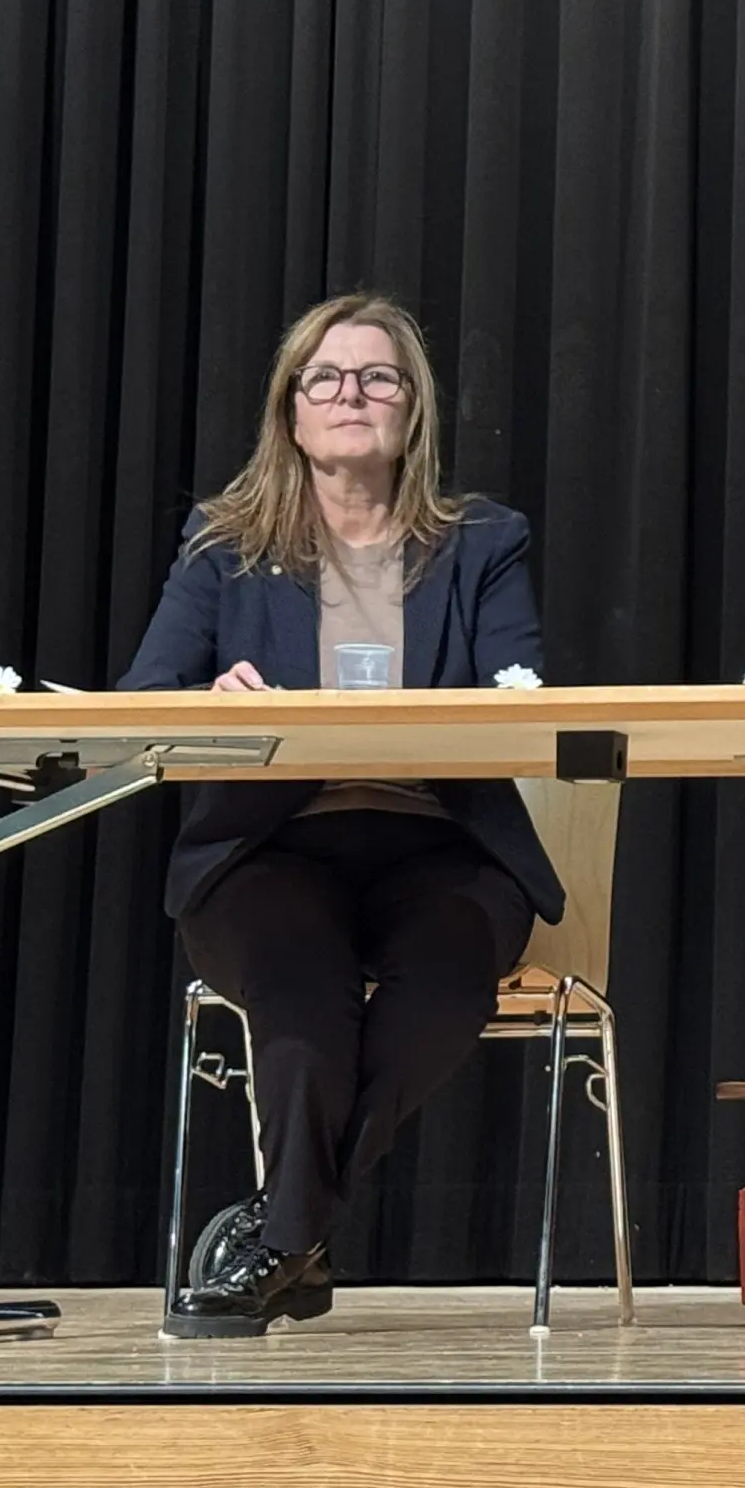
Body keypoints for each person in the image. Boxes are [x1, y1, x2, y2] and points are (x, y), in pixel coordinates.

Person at [124, 294, 560, 1338]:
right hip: (271, 844)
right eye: (327, 378)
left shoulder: (481, 541)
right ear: (291, 411)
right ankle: (296, 1237)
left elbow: (524, 690)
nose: (352, 395)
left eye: (379, 378)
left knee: (440, 998)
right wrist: (209, 703)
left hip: (439, 838)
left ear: (414, 412)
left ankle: (285, 1235)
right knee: (304, 1000)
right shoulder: (223, 543)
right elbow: (144, 699)